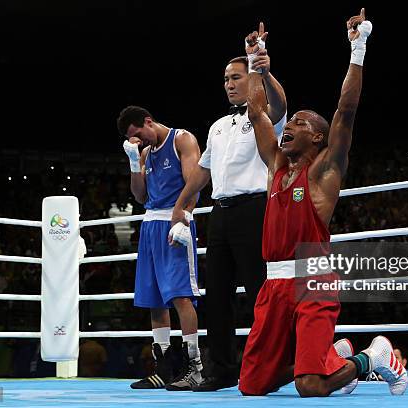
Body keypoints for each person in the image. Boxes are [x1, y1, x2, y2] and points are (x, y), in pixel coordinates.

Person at [238, 11, 408, 397]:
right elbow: (256, 112)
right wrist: (254, 61)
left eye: (297, 122)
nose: (289, 126)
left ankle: (373, 356)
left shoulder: (324, 172)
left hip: (313, 279)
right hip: (274, 284)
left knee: (310, 386)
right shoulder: (275, 170)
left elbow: (345, 111)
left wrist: (358, 47)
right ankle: (332, 356)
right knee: (251, 385)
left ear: (317, 137)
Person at [171, 27, 287, 391]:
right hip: (220, 214)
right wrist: (181, 203)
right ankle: (221, 370)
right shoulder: (218, 126)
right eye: (225, 79)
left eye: (236, 77)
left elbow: (280, 105)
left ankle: (272, 366)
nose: (229, 84)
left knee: (258, 294)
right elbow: (203, 170)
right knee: (217, 296)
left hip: (254, 211)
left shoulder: (265, 119)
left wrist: (261, 69)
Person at [118, 106, 204, 391]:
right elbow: (141, 195)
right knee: (154, 299)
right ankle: (165, 368)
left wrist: (185, 217)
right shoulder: (144, 153)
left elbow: (194, 183)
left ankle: (195, 367)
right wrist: (133, 162)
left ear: (148, 121)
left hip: (175, 221)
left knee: (181, 295)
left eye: (138, 134)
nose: (138, 141)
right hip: (150, 225)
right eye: (132, 140)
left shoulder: (182, 140)